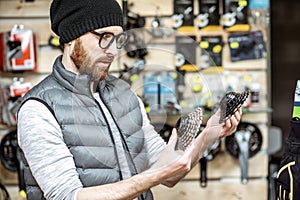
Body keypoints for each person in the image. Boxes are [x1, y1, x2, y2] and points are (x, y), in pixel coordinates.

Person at [17, 0, 242, 199]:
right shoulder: (38, 109)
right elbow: (68, 196)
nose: (113, 51)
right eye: (104, 37)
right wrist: (156, 175)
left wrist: (208, 136)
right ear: (70, 37)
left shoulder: (124, 93)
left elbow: (168, 173)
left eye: (118, 39)